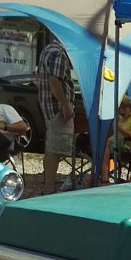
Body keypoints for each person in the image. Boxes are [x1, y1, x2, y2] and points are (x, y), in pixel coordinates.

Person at [37, 38, 75, 194]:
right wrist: (66, 105)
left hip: (49, 109)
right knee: (56, 150)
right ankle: (49, 189)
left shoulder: (47, 50)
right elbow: (54, 80)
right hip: (58, 110)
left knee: (51, 147)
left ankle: (48, 186)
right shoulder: (58, 53)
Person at [101, 95, 131, 183]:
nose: (121, 111)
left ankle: (104, 176)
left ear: (129, 108)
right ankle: (100, 174)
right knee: (103, 144)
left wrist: (119, 128)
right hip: (114, 142)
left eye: (124, 108)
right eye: (119, 109)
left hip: (125, 145)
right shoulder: (120, 119)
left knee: (105, 145)